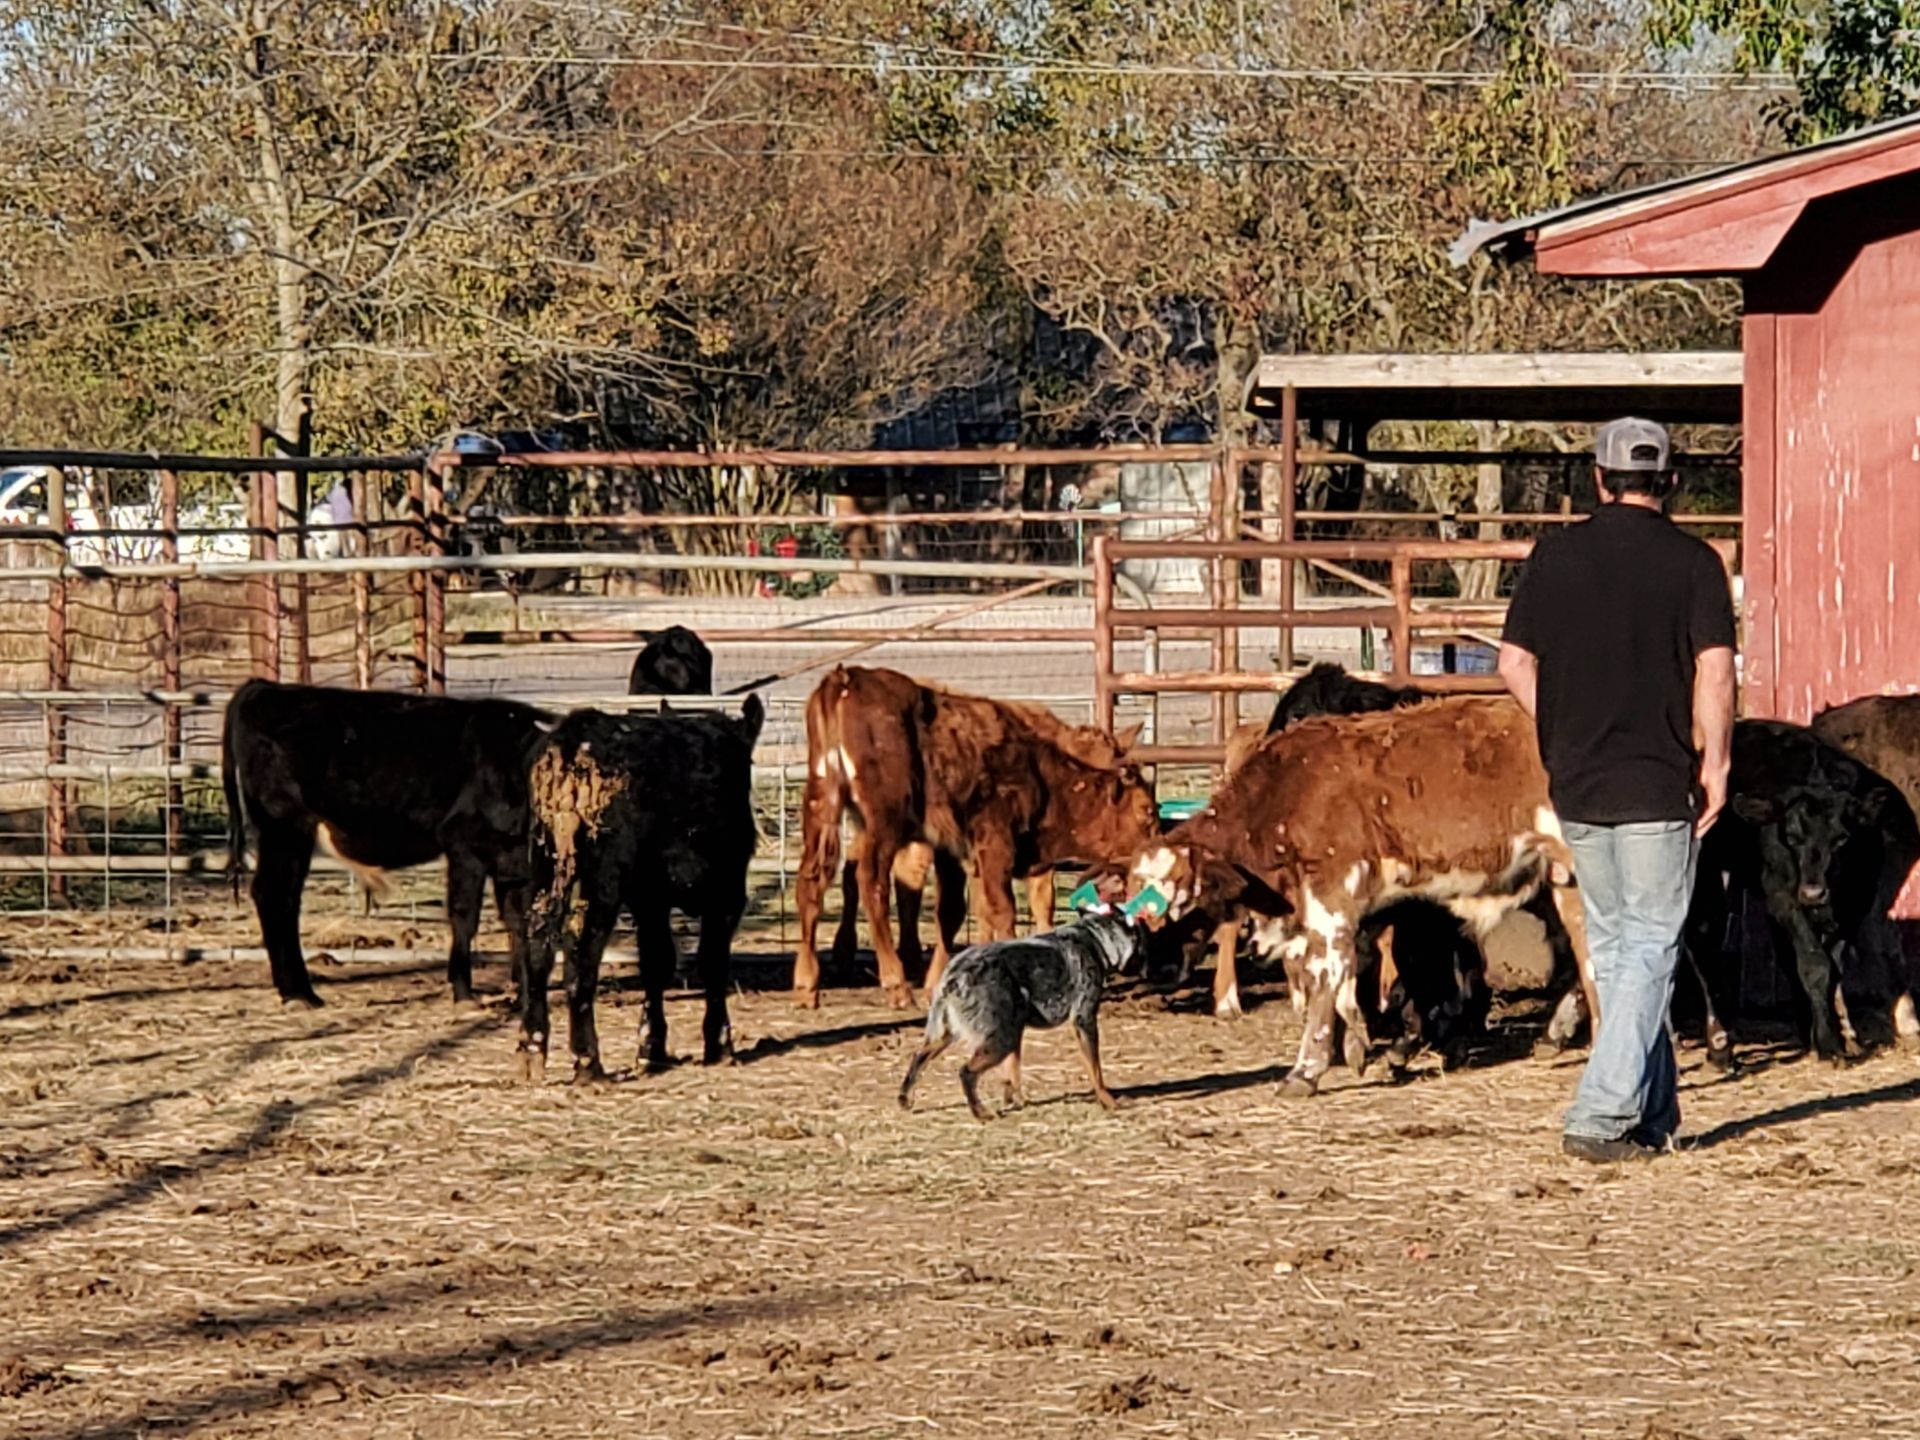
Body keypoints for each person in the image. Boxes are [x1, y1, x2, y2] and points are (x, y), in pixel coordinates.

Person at [1497, 417, 1737, 1163]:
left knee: (1618, 945)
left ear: (1598, 479)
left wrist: (1561, 725)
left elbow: (1512, 662)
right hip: (1657, 783)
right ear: (1668, 481)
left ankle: (1653, 1112)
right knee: (1652, 945)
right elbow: (1717, 674)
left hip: (1580, 784)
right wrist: (1718, 765)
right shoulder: (1696, 563)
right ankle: (1601, 1114)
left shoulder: (1554, 556)